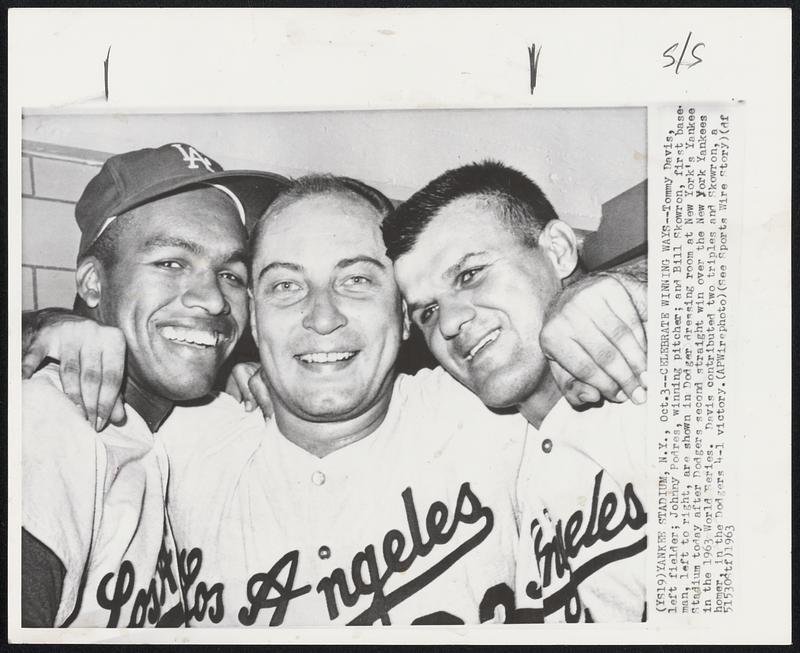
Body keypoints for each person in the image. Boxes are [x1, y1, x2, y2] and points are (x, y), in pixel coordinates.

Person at [23, 173, 647, 626]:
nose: (322, 317)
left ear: (405, 315)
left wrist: (608, 292)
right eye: (285, 284)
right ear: (253, 317)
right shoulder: (180, 438)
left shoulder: (487, 406)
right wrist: (41, 331)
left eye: (355, 279)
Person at [20, 142, 288, 627]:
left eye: (230, 273)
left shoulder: (196, 417)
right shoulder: (48, 423)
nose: (212, 300)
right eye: (170, 263)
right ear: (93, 284)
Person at [382, 160, 648, 622]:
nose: (448, 323)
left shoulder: (660, 376)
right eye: (426, 312)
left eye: (470, 275)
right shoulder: (496, 446)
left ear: (560, 251)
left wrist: (634, 287)